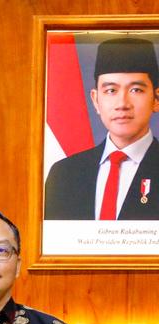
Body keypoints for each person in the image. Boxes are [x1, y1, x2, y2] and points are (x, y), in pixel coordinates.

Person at [44, 36, 159, 220]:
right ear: (96, 100)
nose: (122, 104)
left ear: (156, 99)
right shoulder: (64, 174)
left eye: (136, 90)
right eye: (111, 91)